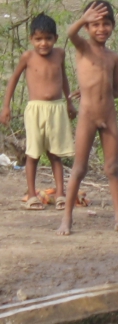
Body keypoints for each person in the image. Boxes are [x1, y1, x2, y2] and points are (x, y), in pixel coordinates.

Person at [57, 1, 118, 235]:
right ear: (87, 28)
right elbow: (70, 33)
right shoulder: (83, 48)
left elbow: (117, 90)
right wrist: (83, 19)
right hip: (87, 117)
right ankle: (66, 220)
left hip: (108, 116)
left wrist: (95, 87)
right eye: (94, 24)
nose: (101, 29)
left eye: (106, 24)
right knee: (79, 168)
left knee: (112, 168)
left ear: (113, 25)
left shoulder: (113, 57)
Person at [1, 14, 77, 210]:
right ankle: (32, 194)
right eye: (38, 39)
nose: (43, 43)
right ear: (31, 40)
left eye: (48, 38)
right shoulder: (28, 57)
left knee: (55, 154)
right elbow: (14, 80)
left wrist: (69, 102)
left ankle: (60, 193)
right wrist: (6, 106)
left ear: (56, 38)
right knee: (33, 153)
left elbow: (64, 78)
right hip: (35, 110)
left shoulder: (59, 54)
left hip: (57, 109)